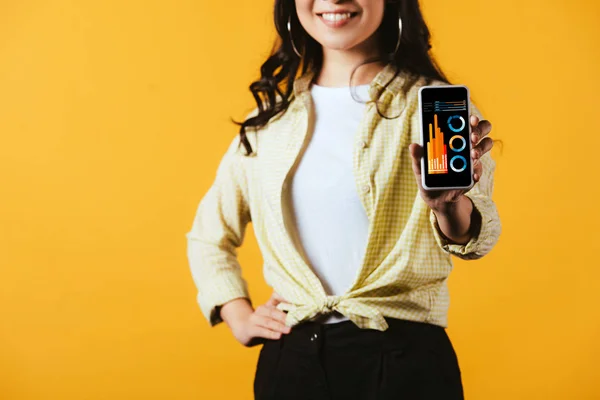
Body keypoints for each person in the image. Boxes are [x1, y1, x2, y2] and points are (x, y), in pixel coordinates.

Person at [185, 0, 501, 399]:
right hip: (292, 364)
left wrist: (446, 205)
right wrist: (239, 316)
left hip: (407, 361)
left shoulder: (432, 106)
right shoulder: (269, 121)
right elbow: (208, 237)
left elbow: (475, 238)